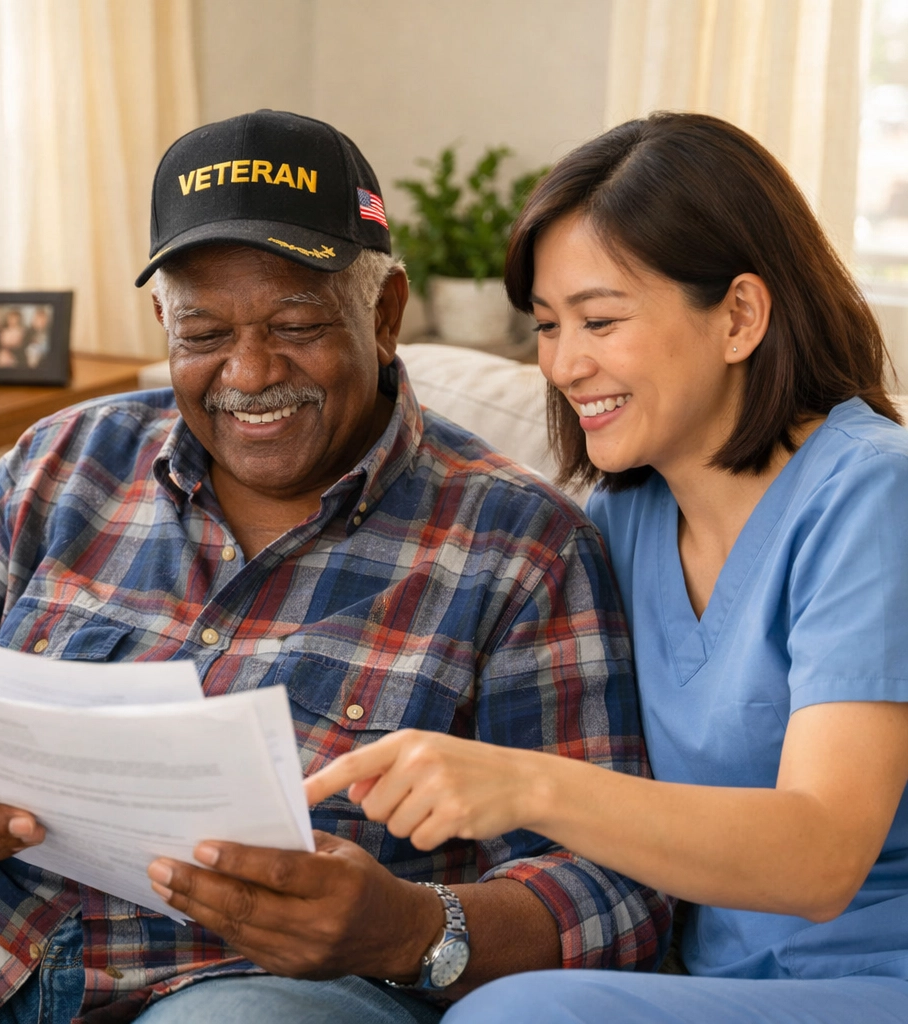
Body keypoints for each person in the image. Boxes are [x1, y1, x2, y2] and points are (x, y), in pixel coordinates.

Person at [0, 110, 670, 1024]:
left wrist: (413, 929)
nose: (250, 374)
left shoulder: (522, 547)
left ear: (384, 313)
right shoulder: (66, 461)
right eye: (204, 332)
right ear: (161, 323)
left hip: (249, 989)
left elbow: (618, 885)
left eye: (296, 323)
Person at [306, 112, 908, 1022]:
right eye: (547, 325)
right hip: (703, 982)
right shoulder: (619, 517)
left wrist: (522, 783)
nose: (562, 364)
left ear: (739, 315)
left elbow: (822, 856)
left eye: (599, 320)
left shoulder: (871, 499)